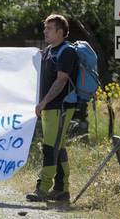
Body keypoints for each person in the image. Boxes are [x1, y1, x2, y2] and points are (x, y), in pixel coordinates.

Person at [26, 14, 78, 202]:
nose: (45, 31)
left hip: (60, 107)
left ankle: (43, 188)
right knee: (58, 146)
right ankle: (62, 189)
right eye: (45, 28)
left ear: (61, 32)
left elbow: (61, 80)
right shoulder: (48, 50)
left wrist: (44, 102)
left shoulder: (66, 52)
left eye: (49, 28)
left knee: (50, 147)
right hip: (50, 107)